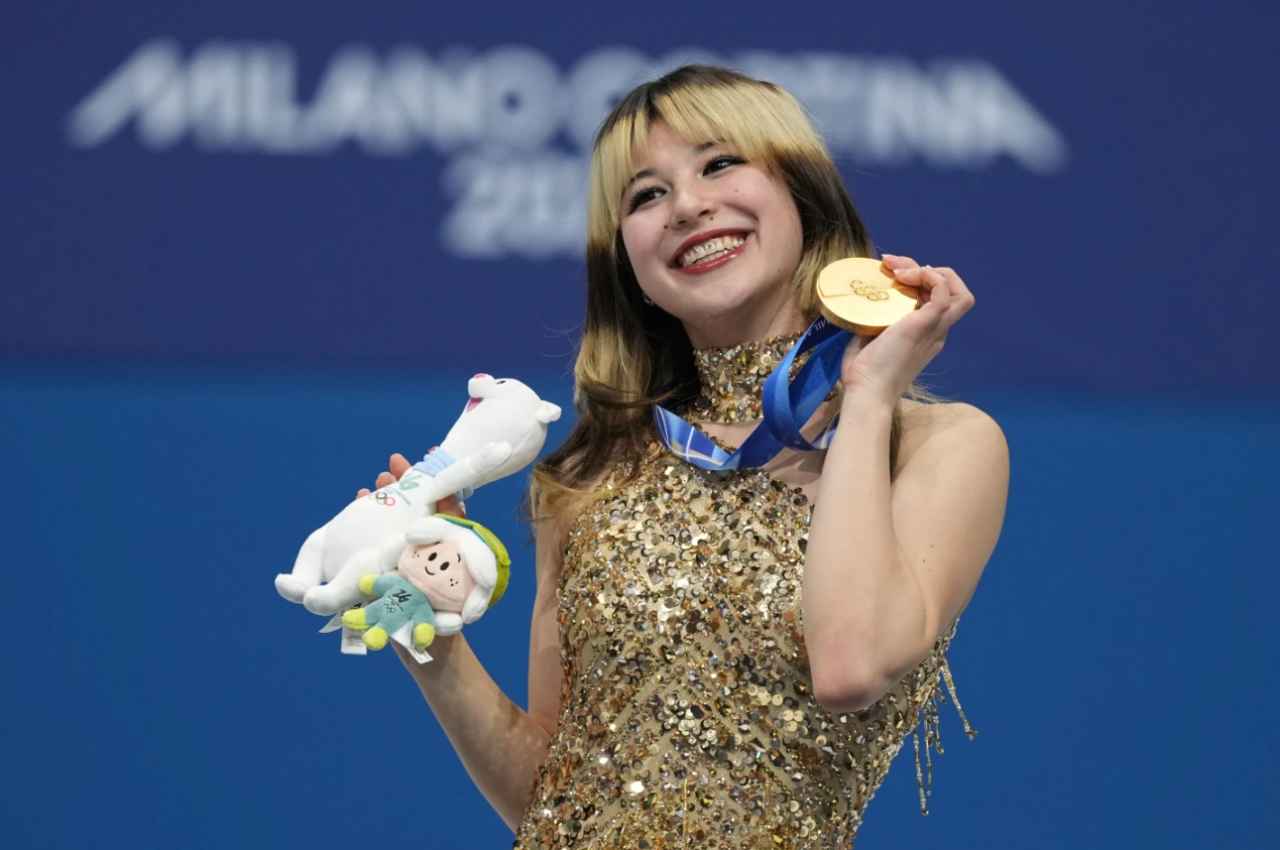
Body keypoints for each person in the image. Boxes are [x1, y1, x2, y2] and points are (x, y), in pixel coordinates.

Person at [358, 65, 1009, 848]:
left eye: (720, 163)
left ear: (801, 191)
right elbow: (557, 793)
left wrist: (867, 396)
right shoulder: (588, 475)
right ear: (624, 263)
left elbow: (850, 667)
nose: (689, 206)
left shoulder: (938, 446)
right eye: (645, 196)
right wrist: (431, 639)